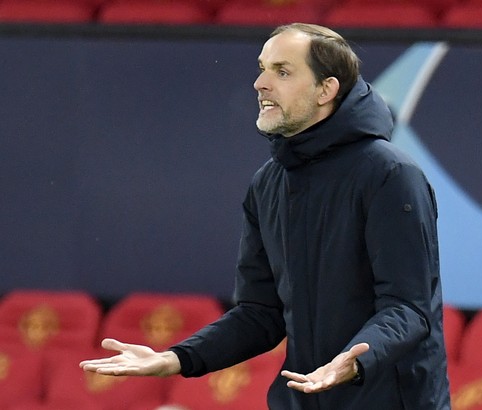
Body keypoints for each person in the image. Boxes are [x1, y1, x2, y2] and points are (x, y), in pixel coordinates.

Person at [80, 23, 451, 409]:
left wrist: (354, 361)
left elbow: (407, 308)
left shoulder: (391, 175)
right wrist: (176, 358)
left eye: (282, 71)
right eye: (262, 68)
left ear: (326, 90)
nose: (260, 83)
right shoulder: (268, 183)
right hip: (301, 398)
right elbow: (260, 314)